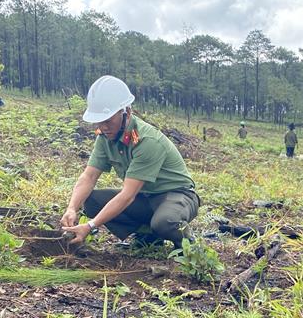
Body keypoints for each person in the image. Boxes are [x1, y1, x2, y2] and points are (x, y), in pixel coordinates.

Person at [61, 75, 200, 248]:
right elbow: (89, 177)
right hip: (145, 197)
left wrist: (90, 226)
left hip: (176, 195)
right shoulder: (105, 137)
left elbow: (127, 195)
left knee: (165, 221)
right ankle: (149, 237)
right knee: (91, 200)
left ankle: (187, 244)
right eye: (99, 121)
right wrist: (72, 208)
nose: (103, 127)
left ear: (126, 112)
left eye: (108, 120)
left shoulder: (146, 140)